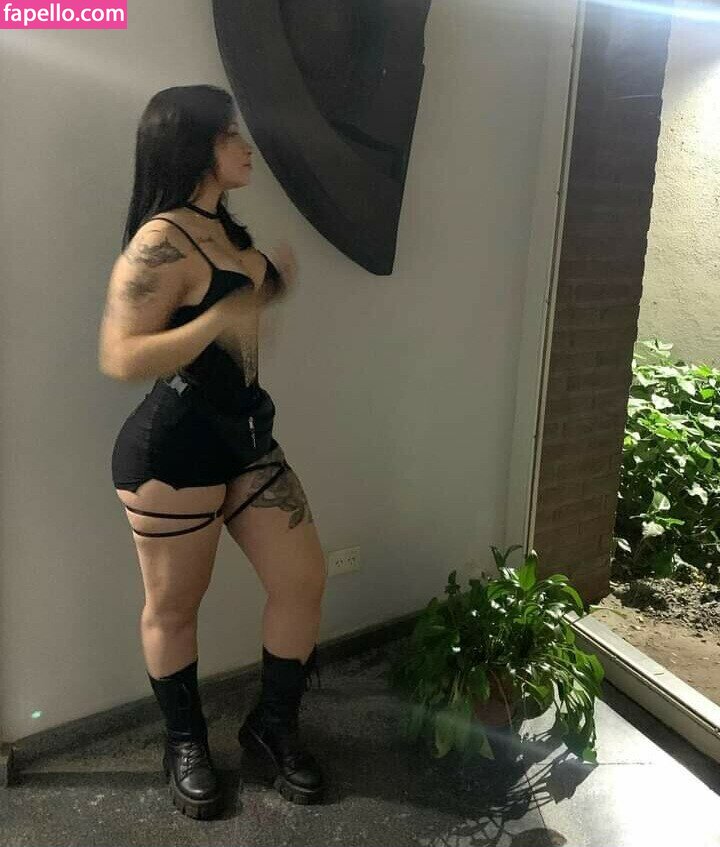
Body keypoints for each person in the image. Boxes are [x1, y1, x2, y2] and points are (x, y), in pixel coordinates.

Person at [97, 85, 327, 819]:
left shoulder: (221, 228)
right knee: (175, 608)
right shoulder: (160, 240)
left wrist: (270, 287)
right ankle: (185, 742)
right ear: (196, 145)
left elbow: (236, 305)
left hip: (247, 438)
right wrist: (218, 318)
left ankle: (271, 725)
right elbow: (120, 354)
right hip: (175, 453)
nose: (246, 144)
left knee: (303, 579)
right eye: (232, 133)